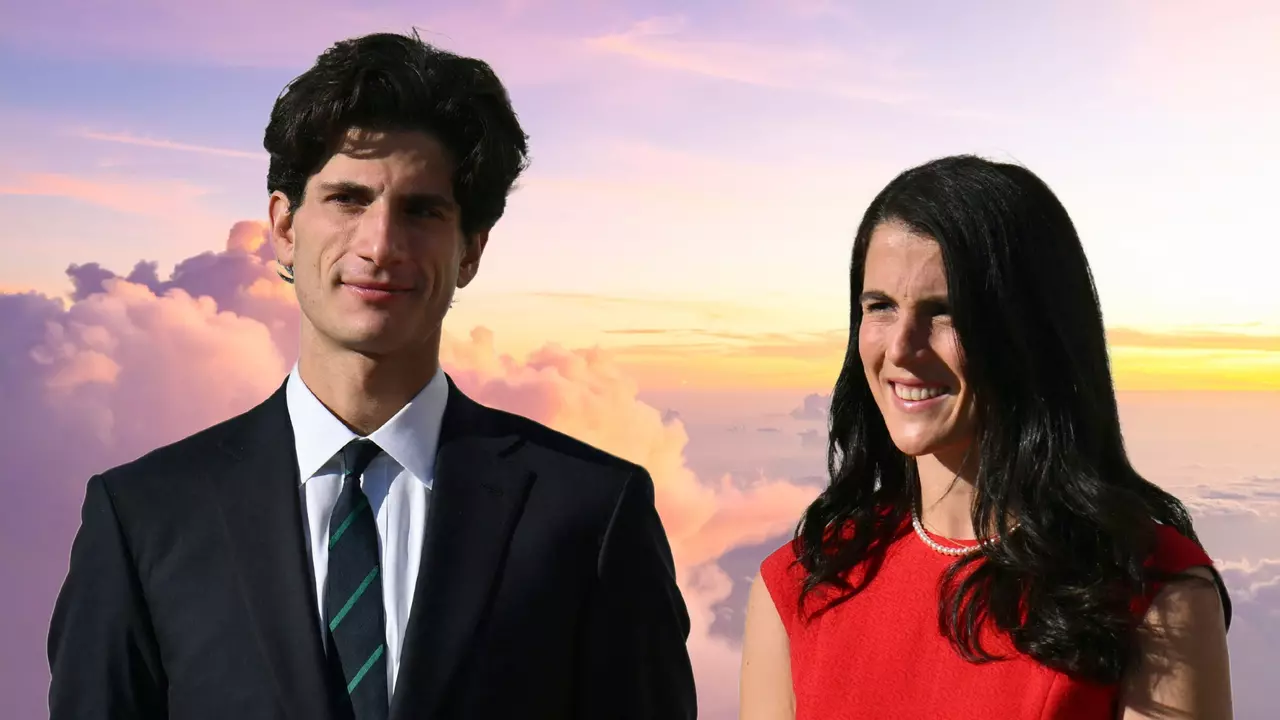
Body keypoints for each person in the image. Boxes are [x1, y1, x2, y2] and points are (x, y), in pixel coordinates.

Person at [47, 31, 697, 720]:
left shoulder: (591, 513)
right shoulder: (144, 517)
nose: (380, 245)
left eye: (422, 210)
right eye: (348, 199)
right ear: (284, 228)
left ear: (471, 250)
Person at [738, 155, 1233, 719]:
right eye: (880, 307)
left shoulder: (1151, 598)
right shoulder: (798, 588)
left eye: (945, 312)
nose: (900, 347)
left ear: (1032, 332)